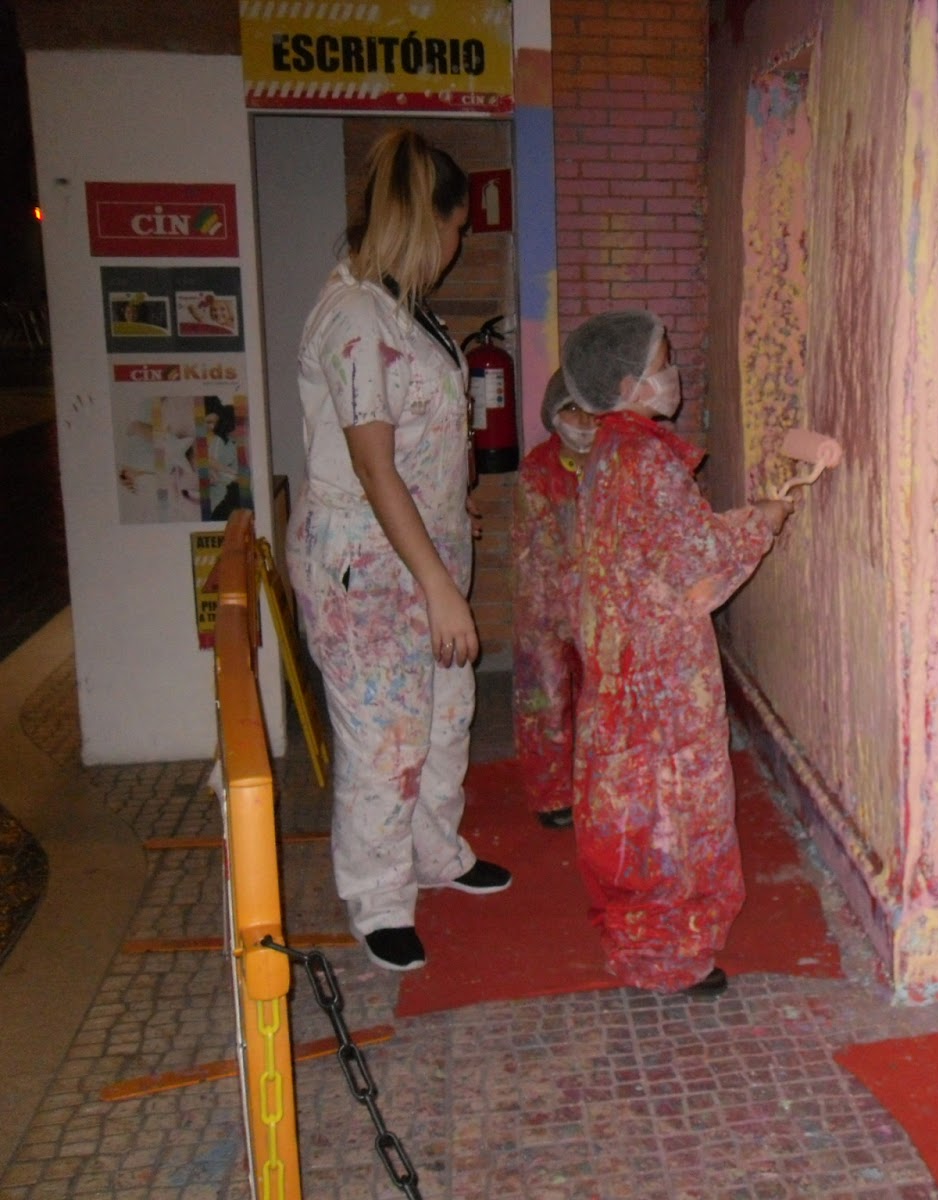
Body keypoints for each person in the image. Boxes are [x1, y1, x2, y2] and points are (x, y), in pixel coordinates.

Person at [286, 128, 510, 973]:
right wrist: (439, 585)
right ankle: (378, 898)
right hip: (366, 569)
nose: (459, 246)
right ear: (428, 222)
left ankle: (435, 852)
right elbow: (374, 467)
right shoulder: (353, 317)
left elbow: (418, 442)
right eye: (456, 229)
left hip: (422, 551)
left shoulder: (401, 305)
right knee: (387, 737)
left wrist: (452, 503)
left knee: (446, 715)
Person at [562, 309, 793, 996]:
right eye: (662, 365)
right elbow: (697, 564)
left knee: (631, 802)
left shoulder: (611, 451)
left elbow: (660, 545)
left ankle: (644, 943)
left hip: (622, 660)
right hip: (657, 671)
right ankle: (665, 956)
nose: (676, 375)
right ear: (628, 386)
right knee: (669, 806)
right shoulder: (645, 460)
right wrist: (762, 522)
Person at [511, 368, 597, 830]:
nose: (582, 422)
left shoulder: (612, 463)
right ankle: (552, 793)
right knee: (545, 697)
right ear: (553, 414)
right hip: (544, 606)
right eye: (571, 410)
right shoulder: (537, 468)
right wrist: (560, 606)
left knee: (598, 695)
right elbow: (536, 545)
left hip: (600, 601)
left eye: (591, 411)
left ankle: (598, 784)